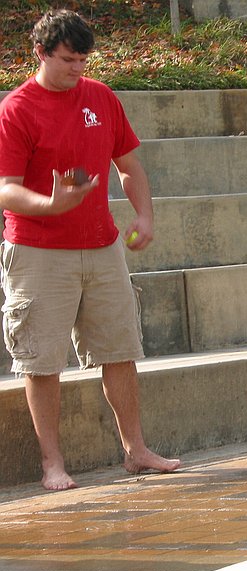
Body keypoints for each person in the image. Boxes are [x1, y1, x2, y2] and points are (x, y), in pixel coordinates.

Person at [0, 9, 181, 491]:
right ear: (39, 53)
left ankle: (136, 451)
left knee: (120, 349)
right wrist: (51, 203)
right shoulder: (17, 109)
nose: (77, 69)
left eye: (82, 59)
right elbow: (6, 189)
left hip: (101, 246)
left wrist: (144, 216)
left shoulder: (99, 96)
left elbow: (130, 167)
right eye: (67, 60)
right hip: (38, 251)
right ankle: (52, 464)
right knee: (41, 361)